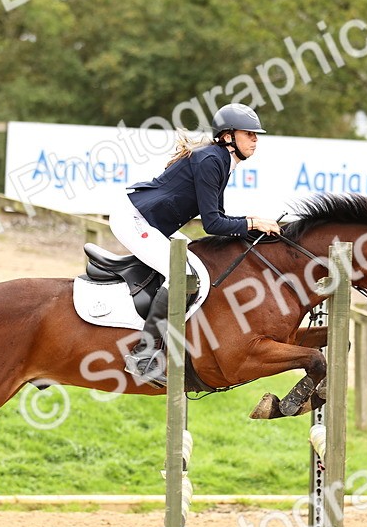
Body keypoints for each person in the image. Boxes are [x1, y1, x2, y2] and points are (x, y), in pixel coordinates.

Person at [109, 102, 282, 387]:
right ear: (228, 136)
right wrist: (252, 223)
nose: (255, 139)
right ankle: (143, 355)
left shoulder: (220, 160)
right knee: (186, 274)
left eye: (256, 134)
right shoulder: (212, 160)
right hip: (134, 220)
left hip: (149, 222)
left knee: (198, 266)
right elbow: (212, 224)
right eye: (248, 133)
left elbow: (221, 218)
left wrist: (255, 227)